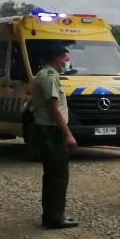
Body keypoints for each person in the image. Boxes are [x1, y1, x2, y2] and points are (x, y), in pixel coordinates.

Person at [31, 44, 78, 229]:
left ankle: (51, 214)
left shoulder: (44, 75)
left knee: (52, 175)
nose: (67, 61)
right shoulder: (50, 77)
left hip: (46, 130)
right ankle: (55, 217)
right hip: (52, 132)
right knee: (58, 176)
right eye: (65, 58)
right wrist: (68, 134)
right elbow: (53, 108)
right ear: (56, 58)